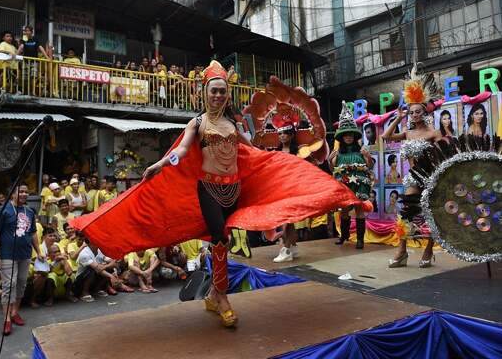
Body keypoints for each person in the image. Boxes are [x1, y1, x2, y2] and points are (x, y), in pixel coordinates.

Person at [71, 62, 365, 328]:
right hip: (208, 189)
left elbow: (252, 151)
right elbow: (183, 151)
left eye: (223, 91)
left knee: (220, 241)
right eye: (214, 91)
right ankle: (222, 297)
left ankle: (213, 293)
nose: (218, 96)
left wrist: (279, 162)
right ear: (205, 92)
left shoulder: (232, 125)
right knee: (221, 238)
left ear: (226, 94)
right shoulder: (197, 123)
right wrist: (161, 163)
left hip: (233, 189)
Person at [382, 64, 442, 269]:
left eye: (417, 112)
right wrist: (398, 117)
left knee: (431, 213)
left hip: (432, 176)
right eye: (411, 112)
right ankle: (402, 252)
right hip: (413, 177)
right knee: (406, 212)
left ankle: (428, 250)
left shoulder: (433, 134)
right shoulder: (407, 133)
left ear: (424, 113)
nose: (414, 115)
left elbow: (445, 152)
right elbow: (385, 136)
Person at [0, 183, 43, 336]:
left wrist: (38, 251)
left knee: (21, 283)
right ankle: (6, 319)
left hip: (25, 254)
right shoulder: (2, 210)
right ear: (12, 193)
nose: (24, 194)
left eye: (27, 192)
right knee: (9, 284)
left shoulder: (29, 212)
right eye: (21, 191)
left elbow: (33, 233)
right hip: (7, 254)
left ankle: (15, 312)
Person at [329, 102, 374, 249]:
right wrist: (330, 160)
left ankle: (360, 239)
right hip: (345, 185)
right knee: (344, 211)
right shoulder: (338, 153)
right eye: (345, 135)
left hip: (359, 185)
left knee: (359, 210)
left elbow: (370, 167)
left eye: (350, 135)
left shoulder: (361, 150)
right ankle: (344, 236)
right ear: (342, 137)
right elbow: (333, 169)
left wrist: (367, 157)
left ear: (354, 136)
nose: (348, 137)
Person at [272, 121, 302, 262]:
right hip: (279, 189)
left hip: (294, 188)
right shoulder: (275, 152)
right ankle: (293, 247)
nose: (282, 136)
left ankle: (286, 249)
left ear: (291, 135)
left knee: (288, 219)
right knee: (286, 219)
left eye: (285, 133)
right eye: (280, 134)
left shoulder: (300, 152)